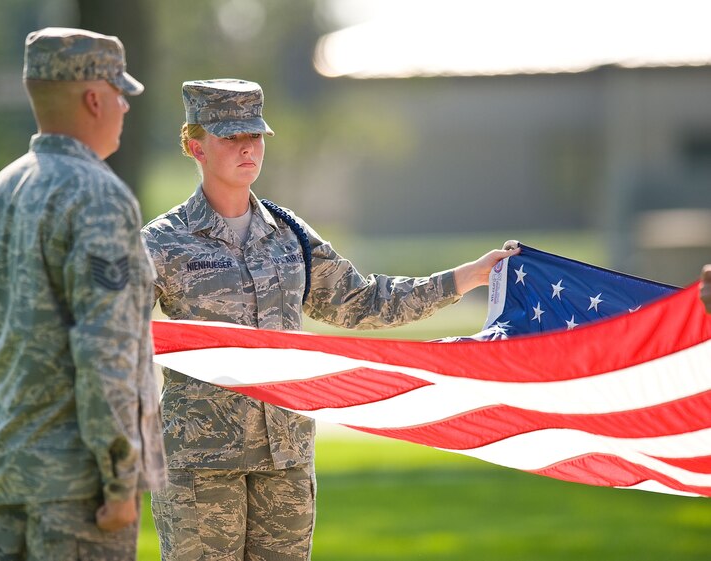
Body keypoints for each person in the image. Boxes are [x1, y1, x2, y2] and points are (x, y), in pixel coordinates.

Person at [142, 78, 519, 561]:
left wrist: (466, 277)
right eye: (230, 138)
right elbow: (115, 333)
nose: (247, 149)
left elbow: (362, 302)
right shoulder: (162, 243)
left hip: (287, 457)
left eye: (254, 136)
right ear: (195, 145)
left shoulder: (289, 234)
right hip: (202, 465)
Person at [0, 27, 166, 561]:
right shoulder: (99, 197)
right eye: (120, 94)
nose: (124, 108)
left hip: (4, 479)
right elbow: (104, 348)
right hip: (77, 489)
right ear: (94, 99)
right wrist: (119, 481)